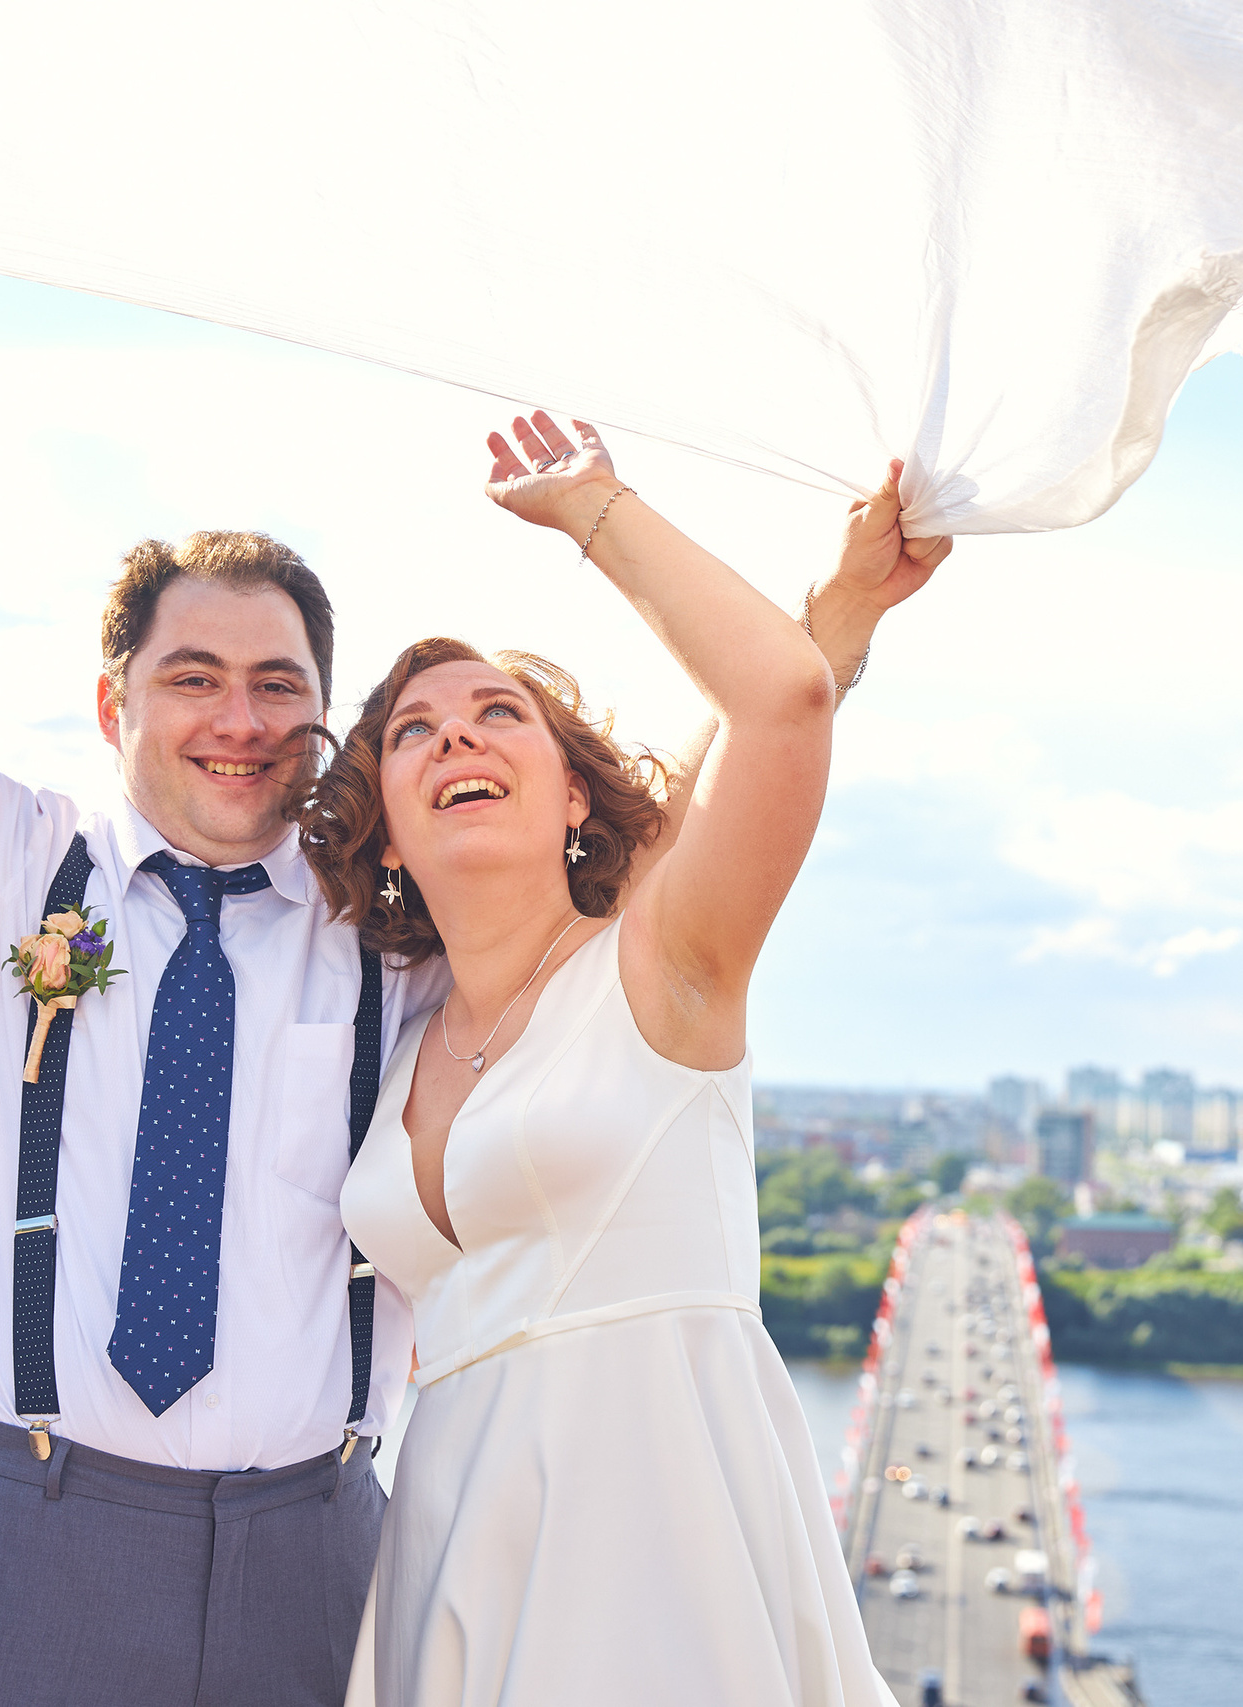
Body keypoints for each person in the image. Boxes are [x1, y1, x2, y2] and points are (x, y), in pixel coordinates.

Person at [0, 160, 932, 1704]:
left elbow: (669, 834)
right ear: (114, 705)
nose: (240, 719)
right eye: (195, 678)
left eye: (281, 686)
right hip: (23, 1540)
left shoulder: (406, 935)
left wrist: (835, 622)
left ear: (323, 729)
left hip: (322, 1553)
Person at [303, 411, 947, 1704]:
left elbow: (775, 706)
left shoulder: (663, 967)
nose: (456, 737)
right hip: (450, 1552)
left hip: (658, 1552)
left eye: (499, 713)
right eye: (413, 731)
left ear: (576, 796)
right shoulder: (403, 1034)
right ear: (388, 834)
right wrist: (837, 611)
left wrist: (594, 509)